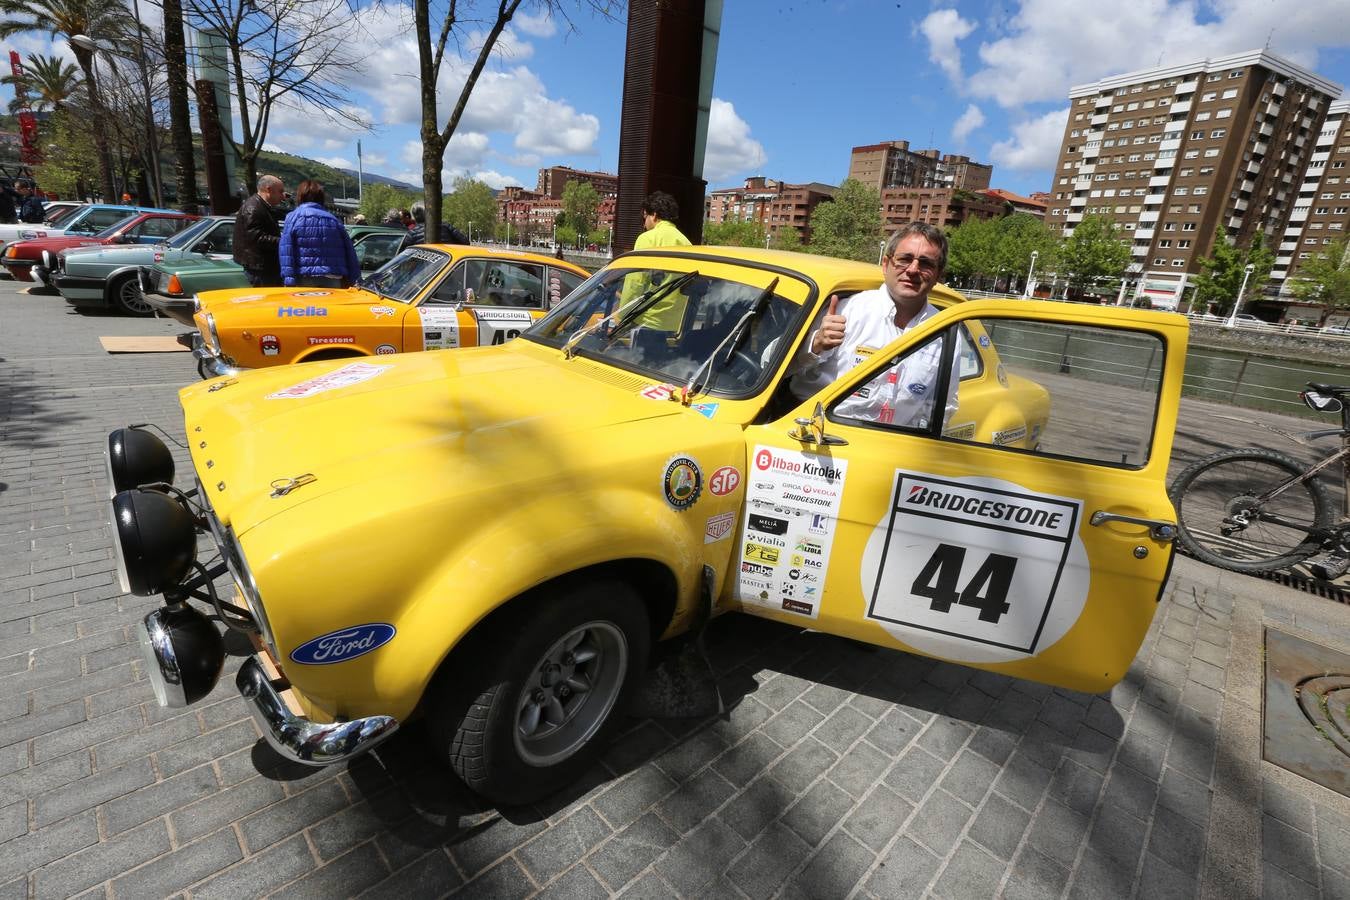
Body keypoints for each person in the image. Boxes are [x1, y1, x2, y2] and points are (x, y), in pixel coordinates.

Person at [786, 221, 959, 428]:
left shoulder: (944, 331)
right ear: (886, 264)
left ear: (939, 275)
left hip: (888, 447)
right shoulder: (846, 310)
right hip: (819, 435)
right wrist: (815, 345)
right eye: (904, 259)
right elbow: (782, 369)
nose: (913, 270)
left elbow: (944, 404)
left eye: (926, 263)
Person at [619, 191, 693, 329]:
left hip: (647, 320)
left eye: (645, 217)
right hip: (674, 323)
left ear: (654, 215)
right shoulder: (686, 243)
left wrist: (623, 314)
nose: (644, 224)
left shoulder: (647, 238)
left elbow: (635, 281)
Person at [279, 179, 360, 288]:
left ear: (300, 196)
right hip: (333, 276)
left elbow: (286, 251)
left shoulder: (293, 218)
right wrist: (354, 277)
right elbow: (349, 250)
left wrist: (288, 280)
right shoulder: (333, 219)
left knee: (308, 306)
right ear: (321, 197)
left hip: (304, 277)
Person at [233, 174, 285, 287]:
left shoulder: (261, 206)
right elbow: (257, 238)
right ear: (269, 190)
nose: (283, 196)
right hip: (259, 269)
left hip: (263, 267)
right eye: (280, 192)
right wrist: (284, 241)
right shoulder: (254, 208)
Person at [405, 201, 469, 245]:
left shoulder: (412, 233)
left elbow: (403, 253)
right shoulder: (445, 225)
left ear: (414, 215)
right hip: (449, 262)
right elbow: (465, 242)